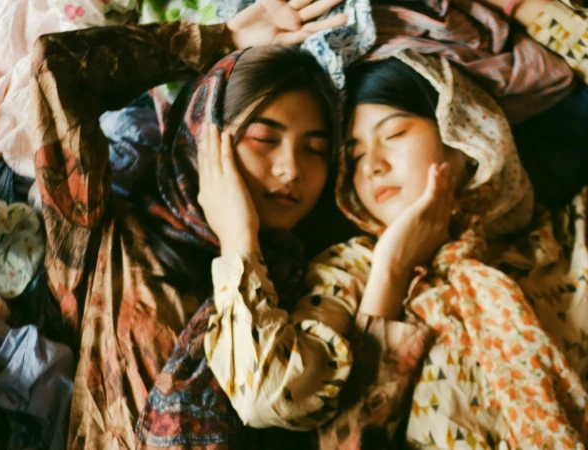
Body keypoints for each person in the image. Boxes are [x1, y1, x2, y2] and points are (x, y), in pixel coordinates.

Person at [329, 0, 588, 447]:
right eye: (356, 154)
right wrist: (391, 271)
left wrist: (517, 6)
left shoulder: (586, 245)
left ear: (463, 132)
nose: (373, 167)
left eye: (395, 134)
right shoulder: (348, 278)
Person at [29, 1, 386, 448]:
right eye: (263, 139)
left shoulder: (313, 281)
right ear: (203, 135)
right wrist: (220, 41)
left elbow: (287, 401)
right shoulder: (106, 241)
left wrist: (241, 246)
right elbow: (56, 67)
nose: (290, 169)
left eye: (314, 150)